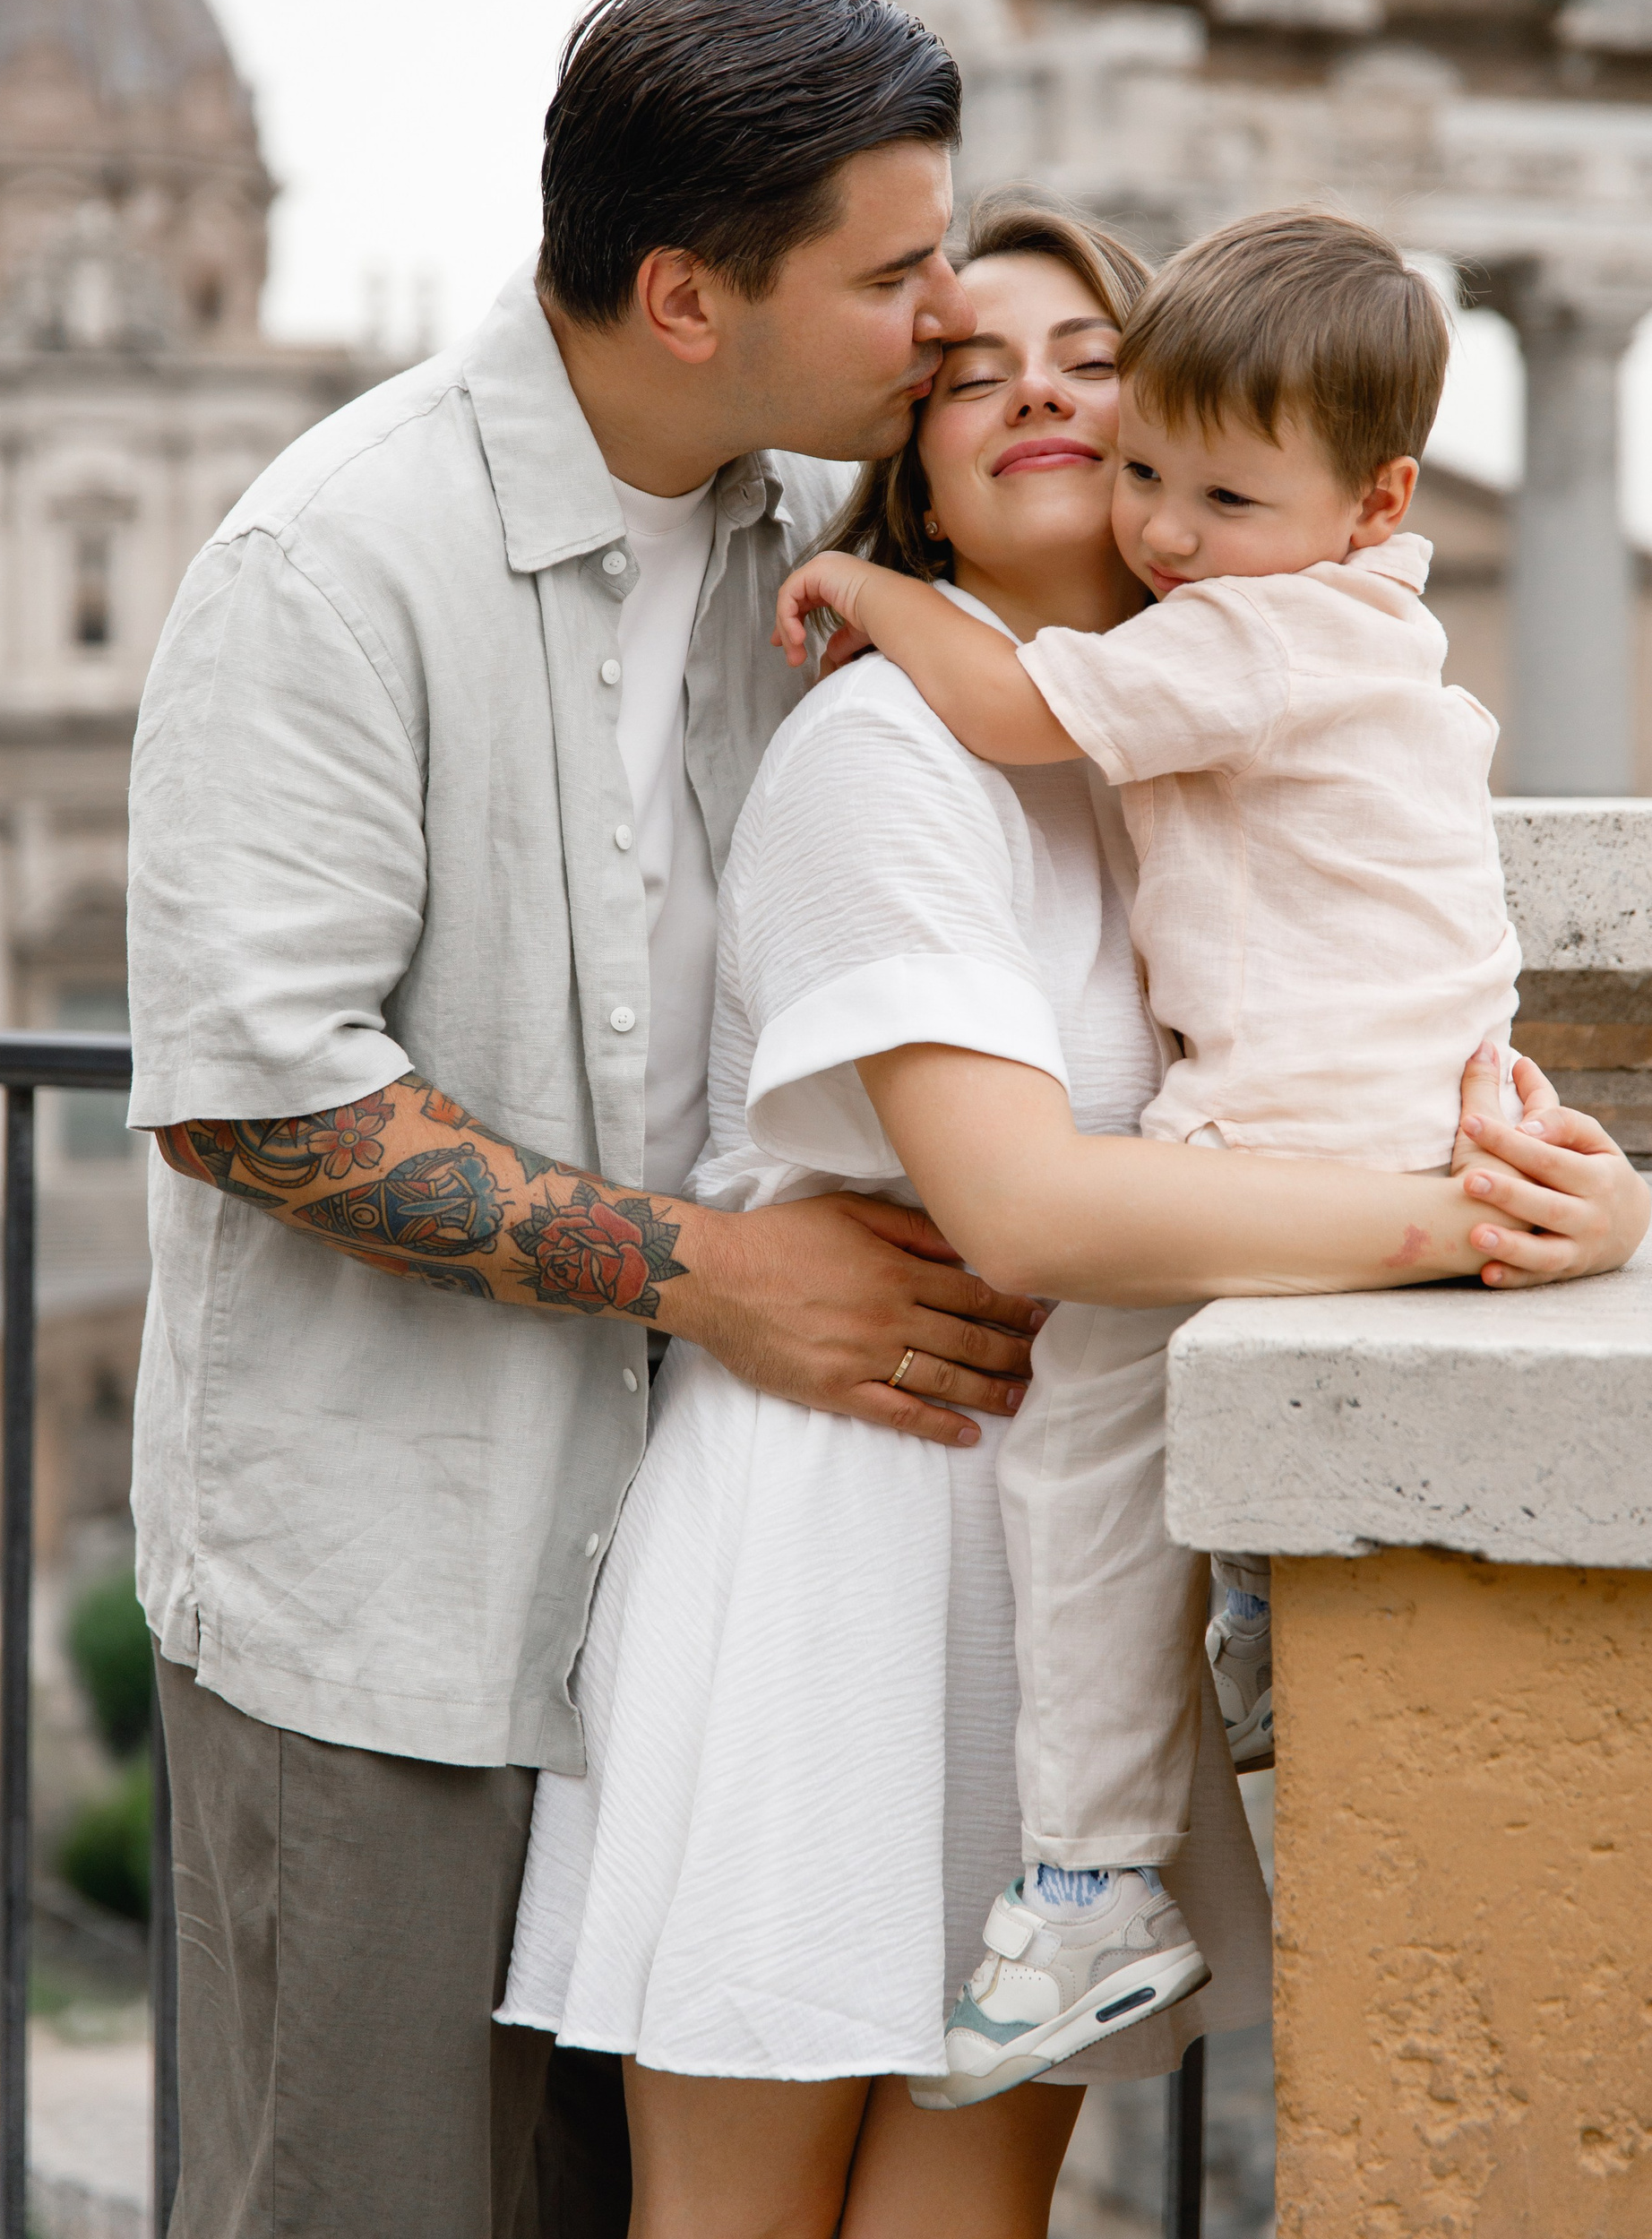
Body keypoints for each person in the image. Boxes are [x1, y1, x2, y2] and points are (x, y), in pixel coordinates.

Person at [497, 198, 1647, 2239]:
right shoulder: (891, 752)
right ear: (916, 467)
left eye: (1089, 362)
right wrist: (1447, 1223)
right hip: (844, 1540)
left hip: (1051, 1564)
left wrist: (1572, 1188)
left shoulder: (1205, 760)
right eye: (966, 373)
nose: (1033, 394)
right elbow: (1027, 1212)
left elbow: (1375, 1025)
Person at [124, 0, 1068, 2239]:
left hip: (695, 1598)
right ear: (683, 298)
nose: (949, 315)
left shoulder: (812, 541)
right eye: (896, 273)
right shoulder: (331, 561)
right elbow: (258, 1096)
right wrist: (720, 1277)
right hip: (393, 1617)